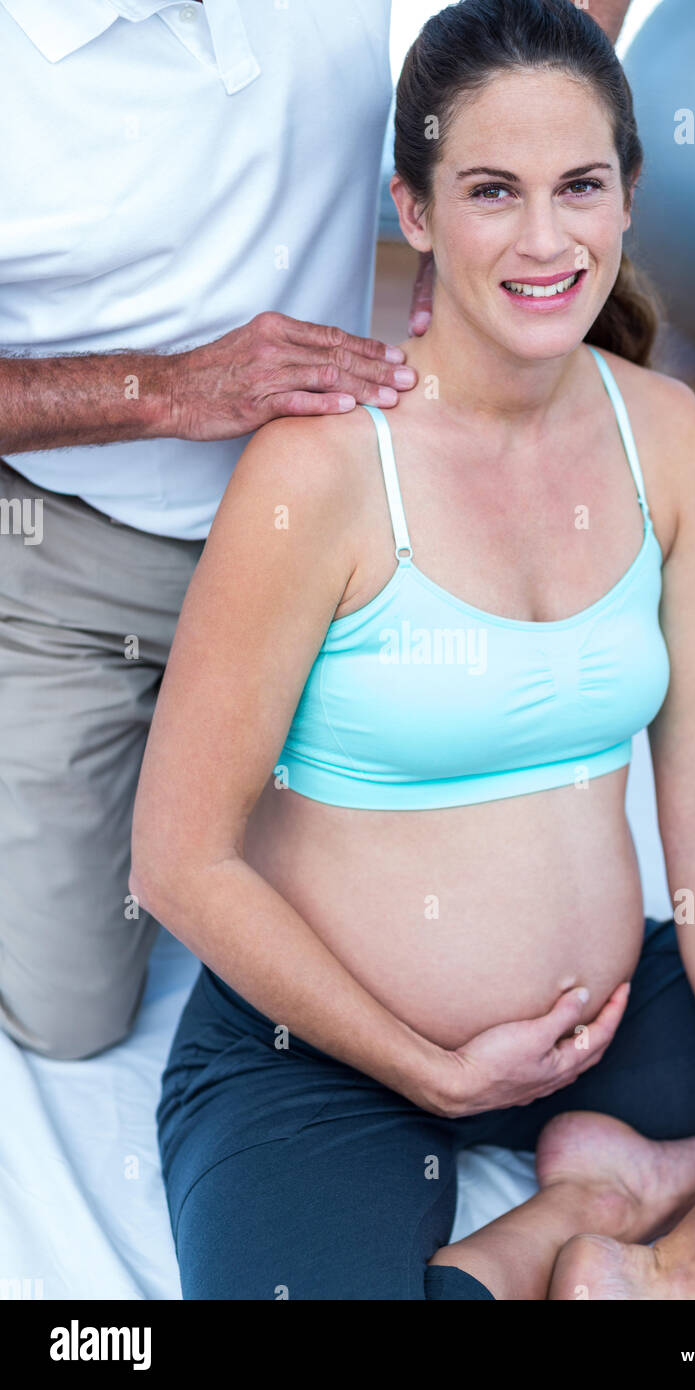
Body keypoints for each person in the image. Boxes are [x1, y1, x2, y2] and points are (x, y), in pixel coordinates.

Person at [130, 0, 695, 1300]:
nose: (544, 239)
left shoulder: (666, 435)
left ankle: (649, 1258)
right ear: (412, 211)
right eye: (490, 190)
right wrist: (431, 1068)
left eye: (578, 185)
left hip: (604, 1024)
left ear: (627, 196)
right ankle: (571, 1209)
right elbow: (176, 857)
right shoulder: (321, 467)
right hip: (321, 1052)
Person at [0, 0, 421, 1061]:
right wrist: (167, 390)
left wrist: (494, 181)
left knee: (423, 947)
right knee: (69, 1018)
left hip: (322, 546)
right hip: (62, 556)